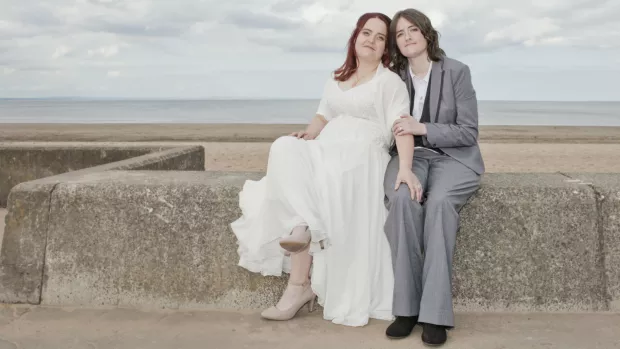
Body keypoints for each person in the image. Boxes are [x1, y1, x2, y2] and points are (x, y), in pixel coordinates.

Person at [230, 12, 420, 327]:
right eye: (366, 33)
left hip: (362, 158)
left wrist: (407, 168)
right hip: (329, 148)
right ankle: (302, 230)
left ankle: (298, 284)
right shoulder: (337, 76)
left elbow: (402, 127)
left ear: (386, 48)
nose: (370, 40)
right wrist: (308, 133)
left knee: (327, 176)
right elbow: (323, 114)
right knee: (284, 147)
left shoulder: (389, 82)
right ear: (355, 36)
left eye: (379, 37)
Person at [382, 8, 485, 346]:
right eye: (400, 33)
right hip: (410, 158)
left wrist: (422, 127)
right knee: (402, 199)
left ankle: (435, 315)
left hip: (454, 159)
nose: (408, 37)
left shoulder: (456, 71)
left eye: (414, 29)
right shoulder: (393, 76)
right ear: (396, 43)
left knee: (439, 204)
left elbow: (468, 131)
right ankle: (407, 309)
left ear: (427, 34)